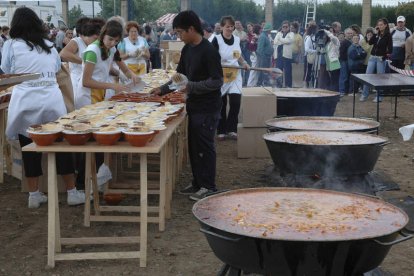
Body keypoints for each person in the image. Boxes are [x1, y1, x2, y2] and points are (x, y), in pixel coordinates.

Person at [1, 7, 88, 208]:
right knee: (60, 145)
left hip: (25, 101)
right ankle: (72, 192)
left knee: (28, 146)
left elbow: (7, 70)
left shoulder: (11, 45)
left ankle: (34, 194)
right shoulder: (49, 45)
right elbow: (57, 69)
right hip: (51, 100)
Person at [150, 10, 223, 201]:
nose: (178, 36)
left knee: (205, 146)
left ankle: (209, 186)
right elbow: (179, 77)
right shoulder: (187, 49)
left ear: (192, 29)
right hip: (194, 106)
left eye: (180, 32)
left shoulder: (209, 51)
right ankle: (198, 182)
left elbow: (217, 82)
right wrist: (163, 89)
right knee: (194, 145)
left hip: (208, 107)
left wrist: (192, 87)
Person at [76, 20, 139, 109]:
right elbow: (86, 82)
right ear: (103, 34)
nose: (113, 43)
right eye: (110, 39)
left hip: (101, 92)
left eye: (116, 41)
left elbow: (125, 69)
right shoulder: (93, 51)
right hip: (88, 95)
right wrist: (113, 86)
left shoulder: (112, 49)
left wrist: (133, 76)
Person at [212, 15, 249, 141]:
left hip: (235, 75)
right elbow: (211, 58)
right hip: (221, 75)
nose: (230, 29)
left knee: (235, 102)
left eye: (231, 26)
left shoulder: (237, 40)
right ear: (221, 27)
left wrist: (244, 63)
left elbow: (238, 56)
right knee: (221, 104)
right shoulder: (216, 40)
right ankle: (221, 130)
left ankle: (231, 129)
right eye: (227, 26)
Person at [60, 17, 105, 98]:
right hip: (78, 81)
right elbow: (63, 54)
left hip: (93, 81)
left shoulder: (95, 43)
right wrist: (86, 62)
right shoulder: (77, 41)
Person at [360, 18, 392, 102]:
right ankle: (364, 94)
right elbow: (370, 43)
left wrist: (384, 57)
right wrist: (374, 33)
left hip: (380, 58)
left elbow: (390, 49)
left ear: (385, 25)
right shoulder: (376, 34)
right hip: (372, 57)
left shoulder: (388, 35)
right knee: (367, 76)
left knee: (380, 78)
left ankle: (379, 96)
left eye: (381, 25)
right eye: (378, 25)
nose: (380, 26)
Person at [273, 20, 294, 88]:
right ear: (281, 27)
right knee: (279, 72)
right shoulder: (279, 33)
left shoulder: (291, 34)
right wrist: (283, 40)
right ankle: (279, 86)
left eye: (286, 26)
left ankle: (288, 87)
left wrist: (280, 40)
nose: (285, 28)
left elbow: (289, 41)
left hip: (287, 56)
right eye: (283, 26)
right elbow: (275, 42)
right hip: (279, 55)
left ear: (289, 27)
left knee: (288, 73)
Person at [339, 28, 354, 96]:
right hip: (344, 62)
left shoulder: (352, 42)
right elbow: (341, 54)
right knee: (343, 77)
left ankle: (346, 91)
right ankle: (341, 91)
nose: (350, 34)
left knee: (347, 77)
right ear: (345, 34)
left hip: (349, 62)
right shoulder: (344, 42)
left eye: (351, 33)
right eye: (348, 33)